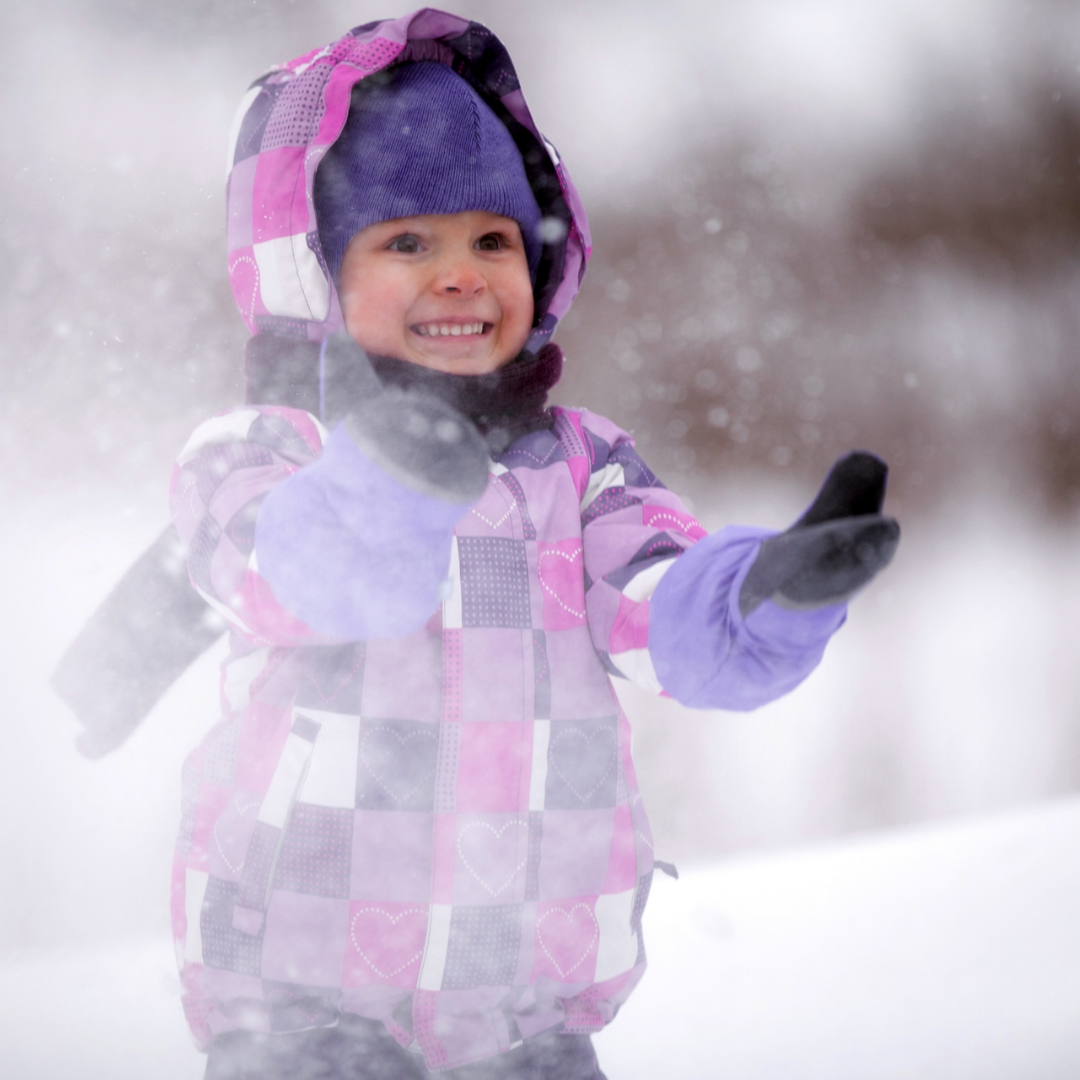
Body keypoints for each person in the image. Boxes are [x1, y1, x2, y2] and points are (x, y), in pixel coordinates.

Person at [165, 10, 899, 1079]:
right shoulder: (267, 451)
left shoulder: (580, 467)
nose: (462, 275)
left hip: (526, 1014)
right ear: (315, 272)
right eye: (408, 241)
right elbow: (284, 578)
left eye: (492, 240)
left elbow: (653, 603)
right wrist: (385, 479)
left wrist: (760, 596)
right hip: (303, 1009)